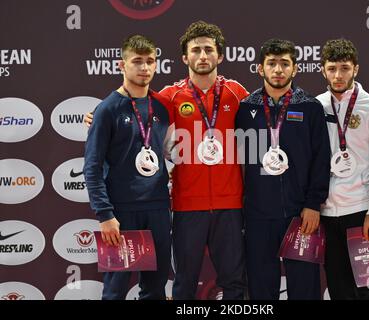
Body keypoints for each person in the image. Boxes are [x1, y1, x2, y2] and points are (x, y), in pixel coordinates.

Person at [235, 39, 331, 300]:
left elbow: (321, 160)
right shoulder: (246, 108)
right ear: (260, 69)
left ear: (295, 69)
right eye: (272, 64)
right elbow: (235, 160)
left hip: (300, 214)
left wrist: (313, 204)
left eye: (284, 64)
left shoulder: (310, 107)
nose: (278, 70)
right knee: (261, 290)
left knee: (305, 290)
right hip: (257, 215)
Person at [159, 20, 248, 300]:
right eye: (195, 50)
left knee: (234, 283)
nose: (202, 56)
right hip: (187, 206)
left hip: (230, 205)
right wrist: (99, 114)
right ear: (185, 57)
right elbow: (135, 114)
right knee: (184, 283)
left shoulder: (237, 93)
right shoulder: (171, 96)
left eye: (209, 50)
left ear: (220, 56)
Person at [83, 35, 173, 300]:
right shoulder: (107, 109)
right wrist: (105, 215)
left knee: (155, 289)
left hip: (157, 208)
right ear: (121, 66)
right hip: (121, 212)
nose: (144, 67)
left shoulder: (162, 107)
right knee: (115, 291)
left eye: (150, 61)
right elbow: (92, 166)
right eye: (137, 61)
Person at [316, 38, 369, 300]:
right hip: (327, 213)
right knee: (339, 290)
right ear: (322, 70)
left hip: (362, 213)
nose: (338, 75)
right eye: (332, 68)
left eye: (345, 68)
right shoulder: (316, 107)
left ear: (356, 69)